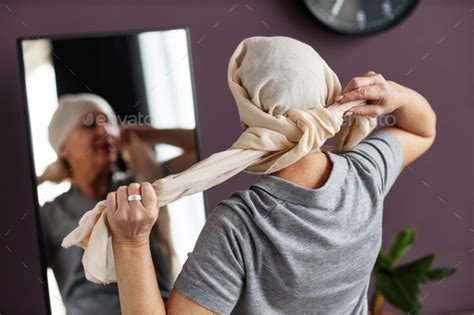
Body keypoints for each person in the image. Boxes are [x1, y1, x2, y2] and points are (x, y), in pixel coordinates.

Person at [105, 37, 437, 314]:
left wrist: (130, 242)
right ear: (326, 94)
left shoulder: (240, 226)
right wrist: (393, 94)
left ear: (247, 124)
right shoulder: (366, 172)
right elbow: (423, 129)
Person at [39, 93, 196, 314]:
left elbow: (206, 145)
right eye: (89, 123)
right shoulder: (48, 215)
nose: (105, 131)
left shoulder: (144, 184)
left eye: (109, 123)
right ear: (63, 147)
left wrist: (145, 133)